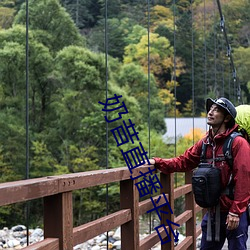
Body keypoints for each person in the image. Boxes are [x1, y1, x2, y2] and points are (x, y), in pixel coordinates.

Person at [148, 97, 250, 250]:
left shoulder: (238, 143)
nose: (210, 112)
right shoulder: (205, 143)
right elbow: (183, 161)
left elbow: (244, 178)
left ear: (227, 118)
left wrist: (236, 212)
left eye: (216, 110)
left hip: (233, 212)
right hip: (212, 211)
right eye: (210, 109)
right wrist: (157, 162)